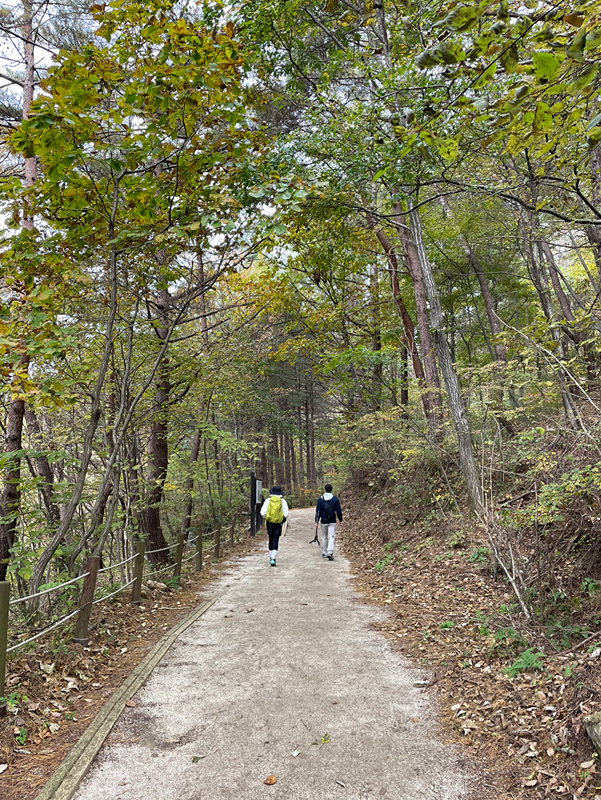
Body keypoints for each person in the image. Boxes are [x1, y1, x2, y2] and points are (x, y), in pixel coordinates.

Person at [260, 485, 289, 567]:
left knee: (270, 538)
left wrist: (267, 517)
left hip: (269, 522)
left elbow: (262, 512)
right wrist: (282, 519)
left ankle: (270, 556)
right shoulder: (282, 501)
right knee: (276, 539)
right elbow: (286, 513)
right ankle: (273, 557)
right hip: (278, 523)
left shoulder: (268, 500)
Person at [315, 484, 342, 561]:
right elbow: (338, 510)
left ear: (325, 490)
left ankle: (324, 552)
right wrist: (340, 519)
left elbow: (318, 511)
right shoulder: (335, 499)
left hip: (323, 521)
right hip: (332, 520)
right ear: (331, 490)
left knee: (324, 537)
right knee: (331, 536)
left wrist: (316, 521)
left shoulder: (320, 499)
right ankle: (330, 552)